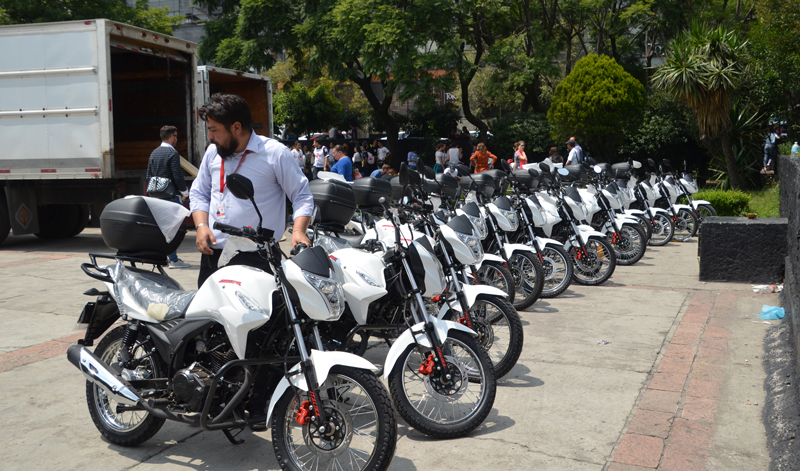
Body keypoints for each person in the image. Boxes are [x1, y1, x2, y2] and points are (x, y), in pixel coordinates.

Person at [190, 94, 313, 431]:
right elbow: (199, 194)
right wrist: (201, 226)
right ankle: (216, 397)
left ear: (237, 127)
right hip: (215, 254)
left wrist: (298, 231)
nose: (210, 138)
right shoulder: (214, 155)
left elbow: (302, 196)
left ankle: (259, 403)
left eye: (214, 130)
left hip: (257, 256)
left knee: (263, 332)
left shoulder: (274, 154)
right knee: (210, 329)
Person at [146, 125, 191, 269]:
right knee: (173, 229)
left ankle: (161, 258)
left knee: (160, 228)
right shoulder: (172, 154)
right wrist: (185, 192)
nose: (177, 139)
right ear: (172, 137)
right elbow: (177, 176)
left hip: (156, 196)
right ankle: (174, 260)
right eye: (176, 136)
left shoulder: (154, 153)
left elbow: (148, 175)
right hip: (171, 196)